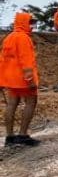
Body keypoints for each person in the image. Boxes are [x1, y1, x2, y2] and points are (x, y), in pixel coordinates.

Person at [0, 12, 41, 147]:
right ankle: (23, 135)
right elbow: (26, 61)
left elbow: (3, 61)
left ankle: (10, 136)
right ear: (24, 22)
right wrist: (30, 80)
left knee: (11, 104)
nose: (32, 26)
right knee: (31, 102)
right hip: (23, 79)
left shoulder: (8, 38)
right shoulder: (24, 38)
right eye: (30, 22)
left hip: (10, 79)